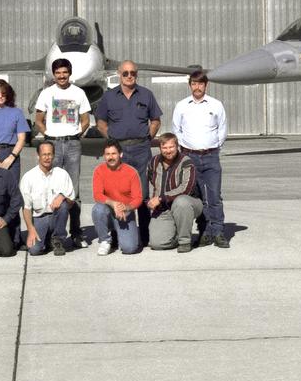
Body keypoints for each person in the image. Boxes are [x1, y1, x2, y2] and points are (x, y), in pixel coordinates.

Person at [94, 60, 161, 241]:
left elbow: (155, 120)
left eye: (133, 73)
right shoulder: (109, 97)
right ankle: (118, 232)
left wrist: (147, 138)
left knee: (143, 191)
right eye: (125, 73)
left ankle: (145, 234)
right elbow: (100, 122)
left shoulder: (146, 94)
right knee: (117, 190)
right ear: (119, 74)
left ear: (136, 74)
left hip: (141, 149)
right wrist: (112, 142)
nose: (129, 76)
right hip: (119, 149)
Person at [33, 58, 91, 246]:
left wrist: (75, 135)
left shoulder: (79, 93)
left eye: (64, 72)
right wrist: (48, 136)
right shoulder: (46, 93)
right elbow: (39, 120)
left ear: (70, 73)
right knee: (51, 188)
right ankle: (52, 234)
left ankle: (76, 233)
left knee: (73, 191)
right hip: (53, 144)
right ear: (53, 74)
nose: (61, 76)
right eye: (58, 73)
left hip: (73, 144)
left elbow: (86, 120)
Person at [173, 69, 229, 248]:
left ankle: (218, 232)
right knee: (199, 197)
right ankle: (205, 231)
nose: (197, 87)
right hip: (190, 157)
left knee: (214, 196)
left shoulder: (216, 105)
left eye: (201, 84)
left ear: (206, 85)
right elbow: (176, 130)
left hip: (211, 156)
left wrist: (214, 146)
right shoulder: (182, 106)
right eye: (194, 84)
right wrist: (185, 149)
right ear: (190, 85)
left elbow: (222, 129)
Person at [144, 132, 203, 252]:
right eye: (164, 147)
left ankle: (185, 241)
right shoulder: (153, 162)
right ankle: (175, 235)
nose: (168, 151)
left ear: (177, 146)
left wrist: (161, 198)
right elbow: (150, 181)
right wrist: (150, 201)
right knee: (157, 244)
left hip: (189, 204)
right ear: (160, 148)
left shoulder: (186, 162)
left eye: (171, 147)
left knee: (181, 202)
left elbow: (186, 189)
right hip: (164, 208)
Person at [18, 141, 73, 256]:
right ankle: (48, 240)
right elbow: (26, 208)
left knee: (63, 205)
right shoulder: (28, 177)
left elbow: (71, 202)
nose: (47, 158)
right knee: (34, 250)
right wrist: (30, 229)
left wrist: (62, 196)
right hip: (39, 218)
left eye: (50, 154)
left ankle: (58, 239)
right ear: (38, 155)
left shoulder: (62, 174)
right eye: (44, 154)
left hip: (55, 217)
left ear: (54, 155)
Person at [91, 140, 142, 255]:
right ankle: (105, 240)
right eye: (107, 154)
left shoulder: (131, 172)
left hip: (125, 213)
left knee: (129, 249)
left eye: (114, 153)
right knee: (98, 209)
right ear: (104, 156)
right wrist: (114, 204)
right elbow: (97, 195)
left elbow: (138, 198)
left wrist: (125, 207)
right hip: (108, 211)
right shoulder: (99, 170)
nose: (111, 157)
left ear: (121, 154)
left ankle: (118, 233)